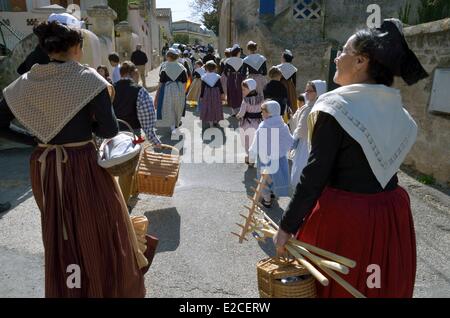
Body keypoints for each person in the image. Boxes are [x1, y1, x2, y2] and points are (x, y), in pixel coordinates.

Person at [273, 19, 428, 298]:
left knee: (342, 286)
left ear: (360, 61)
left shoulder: (337, 106)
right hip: (390, 214)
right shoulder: (400, 113)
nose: (337, 58)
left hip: (345, 220)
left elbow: (315, 175)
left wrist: (286, 226)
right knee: (377, 286)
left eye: (343, 51)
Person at [0, 20, 148, 297]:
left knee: (60, 231)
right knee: (97, 228)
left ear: (47, 49)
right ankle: (101, 287)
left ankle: (70, 289)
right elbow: (110, 129)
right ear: (77, 47)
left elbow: (1, 123)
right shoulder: (87, 79)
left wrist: (34, 139)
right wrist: (85, 127)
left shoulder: (25, 83)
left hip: (44, 164)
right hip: (82, 163)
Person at [113, 61, 162, 204]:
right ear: (133, 72)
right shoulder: (139, 91)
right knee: (127, 170)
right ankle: (124, 205)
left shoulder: (110, 89)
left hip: (112, 134)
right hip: (132, 134)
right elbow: (146, 118)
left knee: (119, 166)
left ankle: (133, 190)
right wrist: (154, 140)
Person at [249, 101, 294, 208]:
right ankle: (273, 193)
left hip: (265, 160)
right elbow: (289, 141)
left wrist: (251, 156)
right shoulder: (283, 125)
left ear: (270, 112)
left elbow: (256, 144)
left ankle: (267, 200)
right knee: (275, 178)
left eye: (263, 110)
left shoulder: (264, 126)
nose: (261, 113)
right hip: (279, 159)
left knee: (264, 180)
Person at [290, 80, 327, 187]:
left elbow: (301, 130)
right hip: (315, 144)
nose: (306, 93)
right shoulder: (319, 106)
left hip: (306, 145)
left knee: (300, 172)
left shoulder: (310, 108)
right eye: (306, 91)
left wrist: (293, 138)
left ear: (318, 93)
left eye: (309, 91)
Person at [155, 48, 188, 135]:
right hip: (179, 88)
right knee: (178, 106)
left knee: (170, 107)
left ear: (169, 57)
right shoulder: (182, 67)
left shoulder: (165, 67)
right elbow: (185, 81)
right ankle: (176, 123)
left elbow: (161, 82)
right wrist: (183, 91)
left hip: (168, 89)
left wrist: (158, 94)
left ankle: (172, 126)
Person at [237, 78, 264, 165]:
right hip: (259, 123)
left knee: (247, 142)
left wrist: (238, 116)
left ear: (251, 88)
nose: (243, 91)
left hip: (247, 124)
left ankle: (250, 158)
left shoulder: (245, 100)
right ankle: (255, 156)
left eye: (244, 89)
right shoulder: (261, 98)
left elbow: (242, 112)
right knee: (256, 141)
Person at [199, 61, 224, 128]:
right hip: (216, 92)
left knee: (208, 106)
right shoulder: (217, 76)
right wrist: (222, 93)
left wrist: (201, 96)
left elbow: (203, 88)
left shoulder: (204, 77)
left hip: (207, 93)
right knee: (216, 105)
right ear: (215, 68)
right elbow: (220, 86)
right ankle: (216, 120)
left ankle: (210, 123)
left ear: (206, 68)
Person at [224, 44, 245, 116]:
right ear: (238, 52)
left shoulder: (228, 60)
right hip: (240, 77)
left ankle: (233, 111)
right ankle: (239, 110)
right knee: (240, 92)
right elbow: (244, 72)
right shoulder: (242, 61)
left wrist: (229, 76)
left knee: (231, 92)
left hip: (231, 77)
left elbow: (225, 71)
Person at [278, 49, 298, 113]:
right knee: (291, 101)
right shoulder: (293, 68)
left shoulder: (279, 67)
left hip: (281, 85)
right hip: (290, 86)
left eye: (282, 57)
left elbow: (277, 78)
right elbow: (294, 81)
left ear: (284, 58)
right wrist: (293, 90)